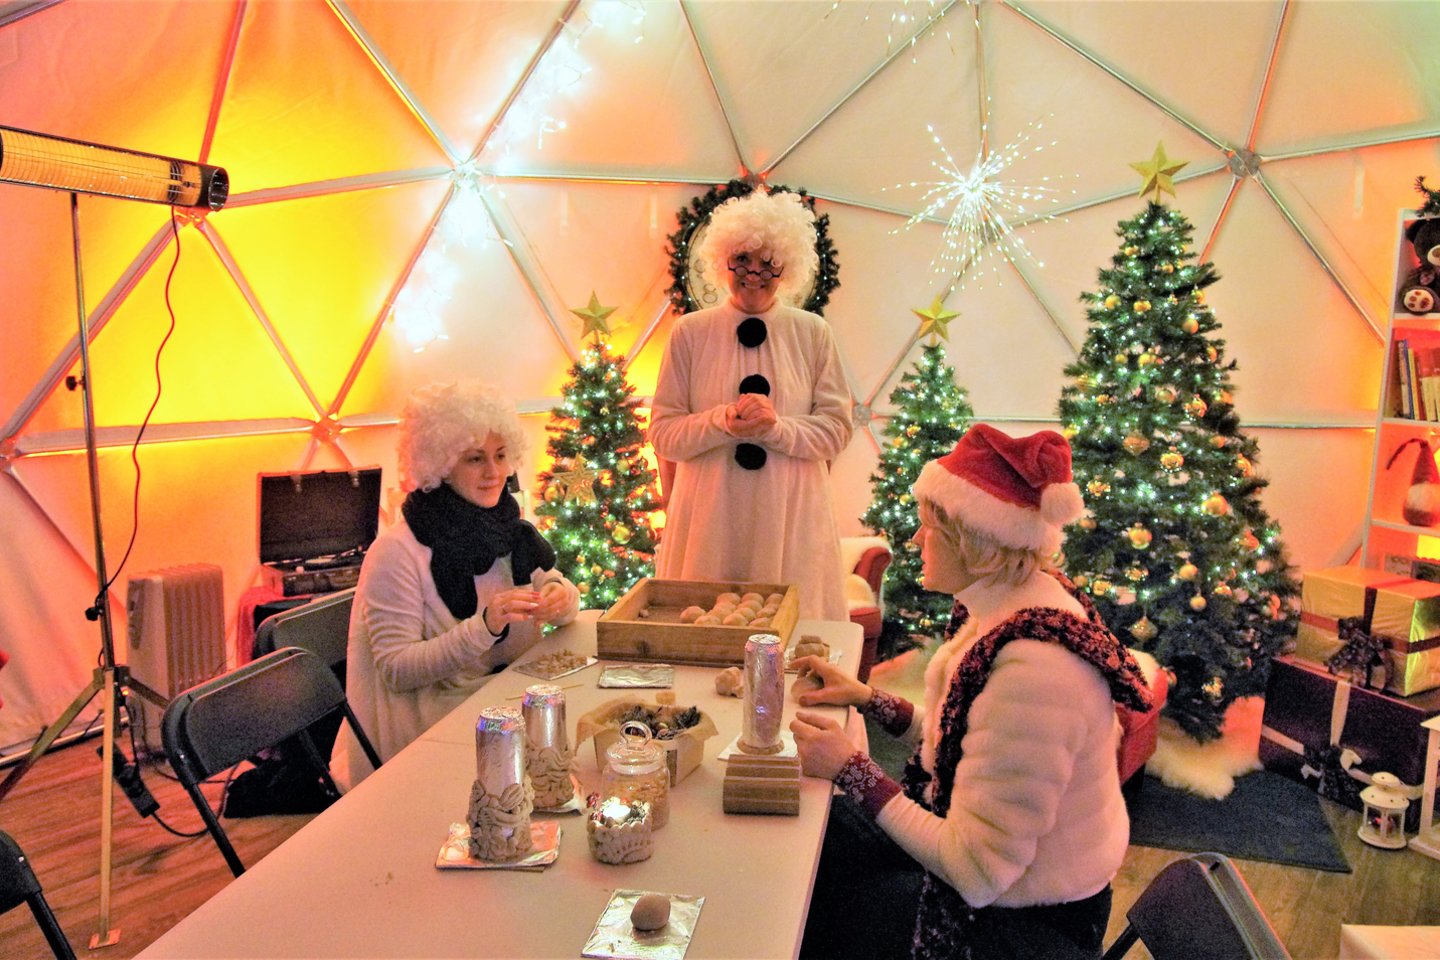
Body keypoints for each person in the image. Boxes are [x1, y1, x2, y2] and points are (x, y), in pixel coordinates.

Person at [790, 424, 1153, 959]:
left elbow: (976, 872)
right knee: (821, 835)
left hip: (1025, 921)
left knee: (815, 911)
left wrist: (853, 769)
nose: (916, 540)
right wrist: (867, 698)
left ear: (975, 539)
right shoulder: (1005, 606)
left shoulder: (1034, 669)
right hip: (997, 876)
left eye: (929, 527)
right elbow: (965, 739)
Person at [333, 380, 580, 789]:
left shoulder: (507, 527)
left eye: (501, 455)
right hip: (428, 735)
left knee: (580, 734)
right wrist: (484, 627)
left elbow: (553, 585)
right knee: (567, 754)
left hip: (497, 704)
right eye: (475, 459)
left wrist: (561, 598)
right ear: (441, 464)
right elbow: (396, 670)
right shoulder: (397, 551)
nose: (494, 472)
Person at [649, 189, 852, 621]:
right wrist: (722, 421)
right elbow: (664, 434)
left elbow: (836, 429)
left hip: (792, 518)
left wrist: (776, 428)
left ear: (788, 266)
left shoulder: (813, 333)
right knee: (706, 634)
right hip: (709, 522)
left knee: (793, 639)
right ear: (722, 260)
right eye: (742, 259)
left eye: (769, 261)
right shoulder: (689, 333)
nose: (755, 272)